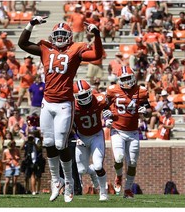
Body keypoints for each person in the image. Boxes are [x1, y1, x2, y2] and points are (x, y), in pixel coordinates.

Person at [18, 16, 103, 202]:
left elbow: (96, 55)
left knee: (60, 144)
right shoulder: (45, 48)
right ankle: (56, 182)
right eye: (57, 34)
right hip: (47, 103)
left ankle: (69, 182)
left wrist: (96, 35)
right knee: (48, 143)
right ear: (52, 35)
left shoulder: (76, 48)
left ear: (70, 36)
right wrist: (31, 24)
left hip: (65, 103)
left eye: (64, 34)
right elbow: (22, 43)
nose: (60, 37)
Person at [106, 65, 151, 198]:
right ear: (119, 79)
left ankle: (128, 189)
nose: (126, 81)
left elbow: (149, 111)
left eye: (128, 78)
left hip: (133, 132)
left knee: (132, 162)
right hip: (117, 130)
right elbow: (103, 106)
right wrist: (105, 117)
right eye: (123, 78)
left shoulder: (141, 91)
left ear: (133, 77)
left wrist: (145, 112)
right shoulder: (112, 90)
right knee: (119, 157)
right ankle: (119, 176)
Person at [72, 79, 110, 201]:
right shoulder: (73, 106)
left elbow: (109, 106)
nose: (83, 98)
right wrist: (76, 138)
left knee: (98, 165)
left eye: (85, 95)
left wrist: (108, 115)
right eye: (80, 96)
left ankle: (103, 192)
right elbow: (69, 126)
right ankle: (92, 172)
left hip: (96, 135)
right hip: (81, 137)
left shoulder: (99, 99)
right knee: (81, 170)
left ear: (90, 92)